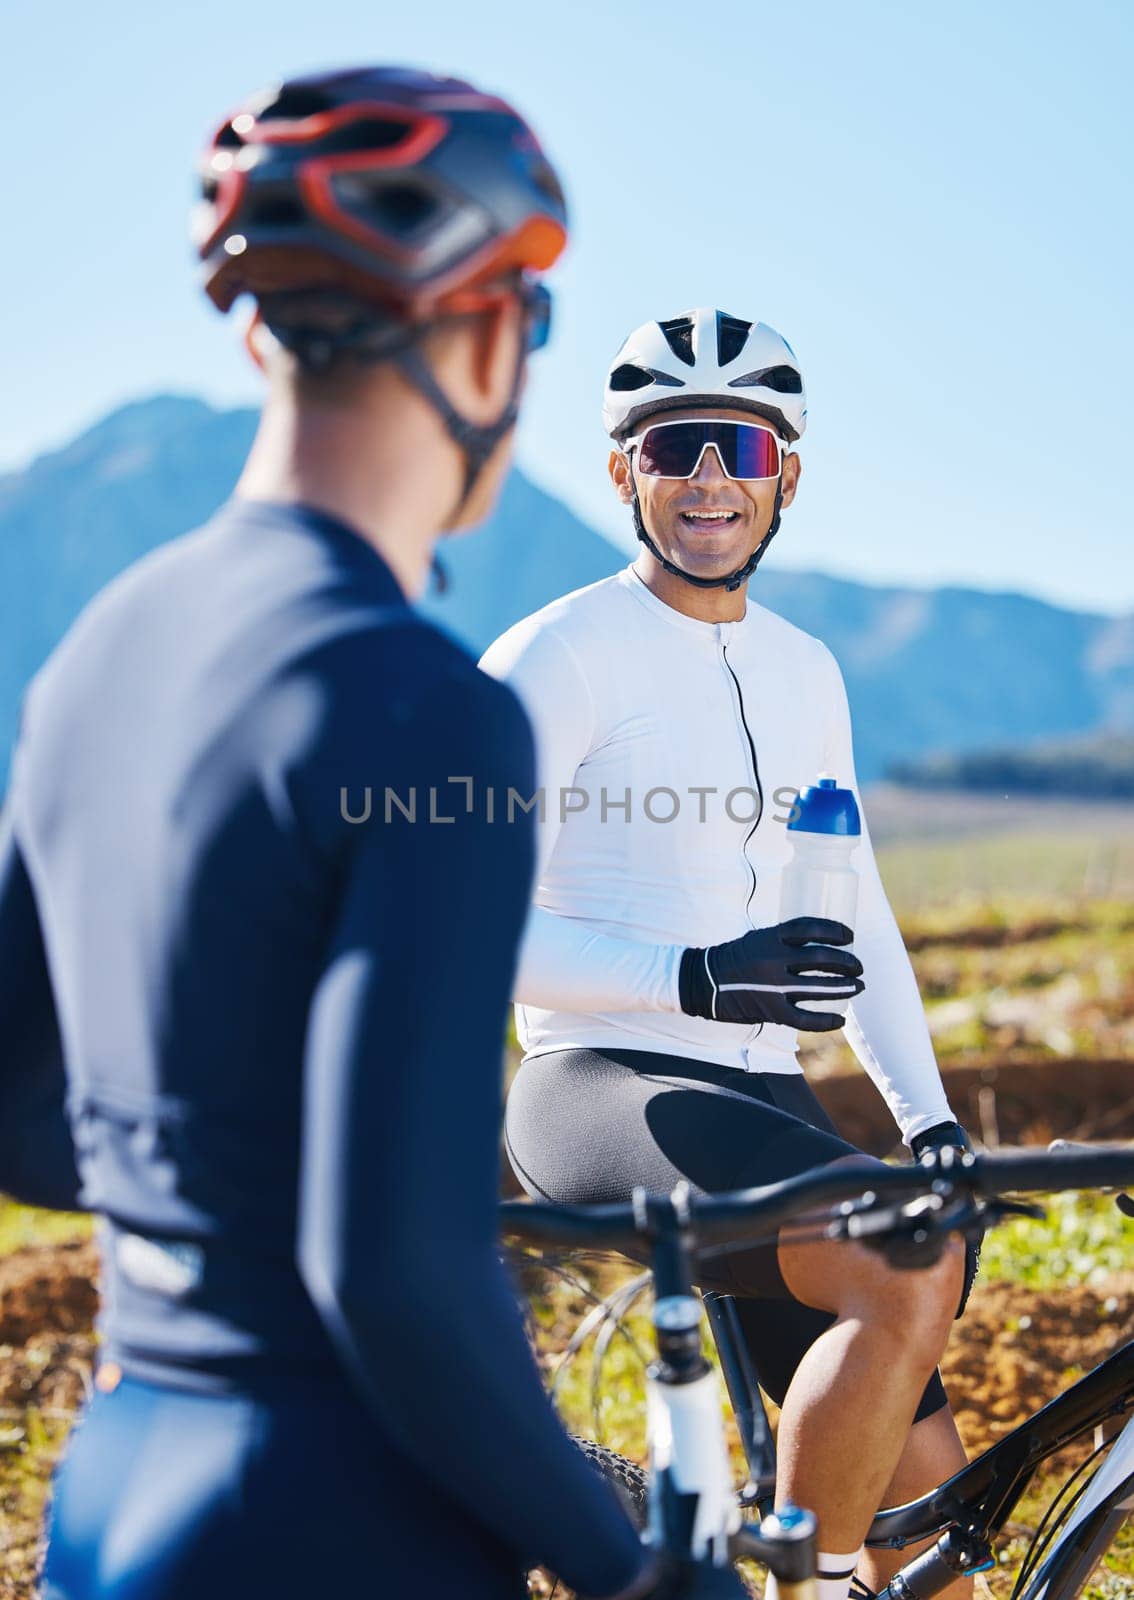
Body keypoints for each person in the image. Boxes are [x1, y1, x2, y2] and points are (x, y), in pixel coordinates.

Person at [0, 67, 660, 1600]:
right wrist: (622, 1563)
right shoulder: (428, 713)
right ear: (494, 332)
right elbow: (399, 1277)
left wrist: (216, 1197)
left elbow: (19, 1105)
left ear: (256, 331)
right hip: (336, 1522)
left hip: (118, 1490)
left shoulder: (96, 651)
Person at [481, 307, 977, 1600]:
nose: (708, 477)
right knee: (896, 1262)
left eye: (739, 448)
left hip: (762, 1092)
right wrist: (687, 978)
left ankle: (845, 1562)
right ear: (622, 473)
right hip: (600, 1087)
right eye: (674, 445)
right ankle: (801, 1583)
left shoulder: (809, 670)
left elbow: (855, 904)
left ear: (784, 478)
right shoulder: (556, 656)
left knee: (933, 1530)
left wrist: (927, 1119)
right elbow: (466, 930)